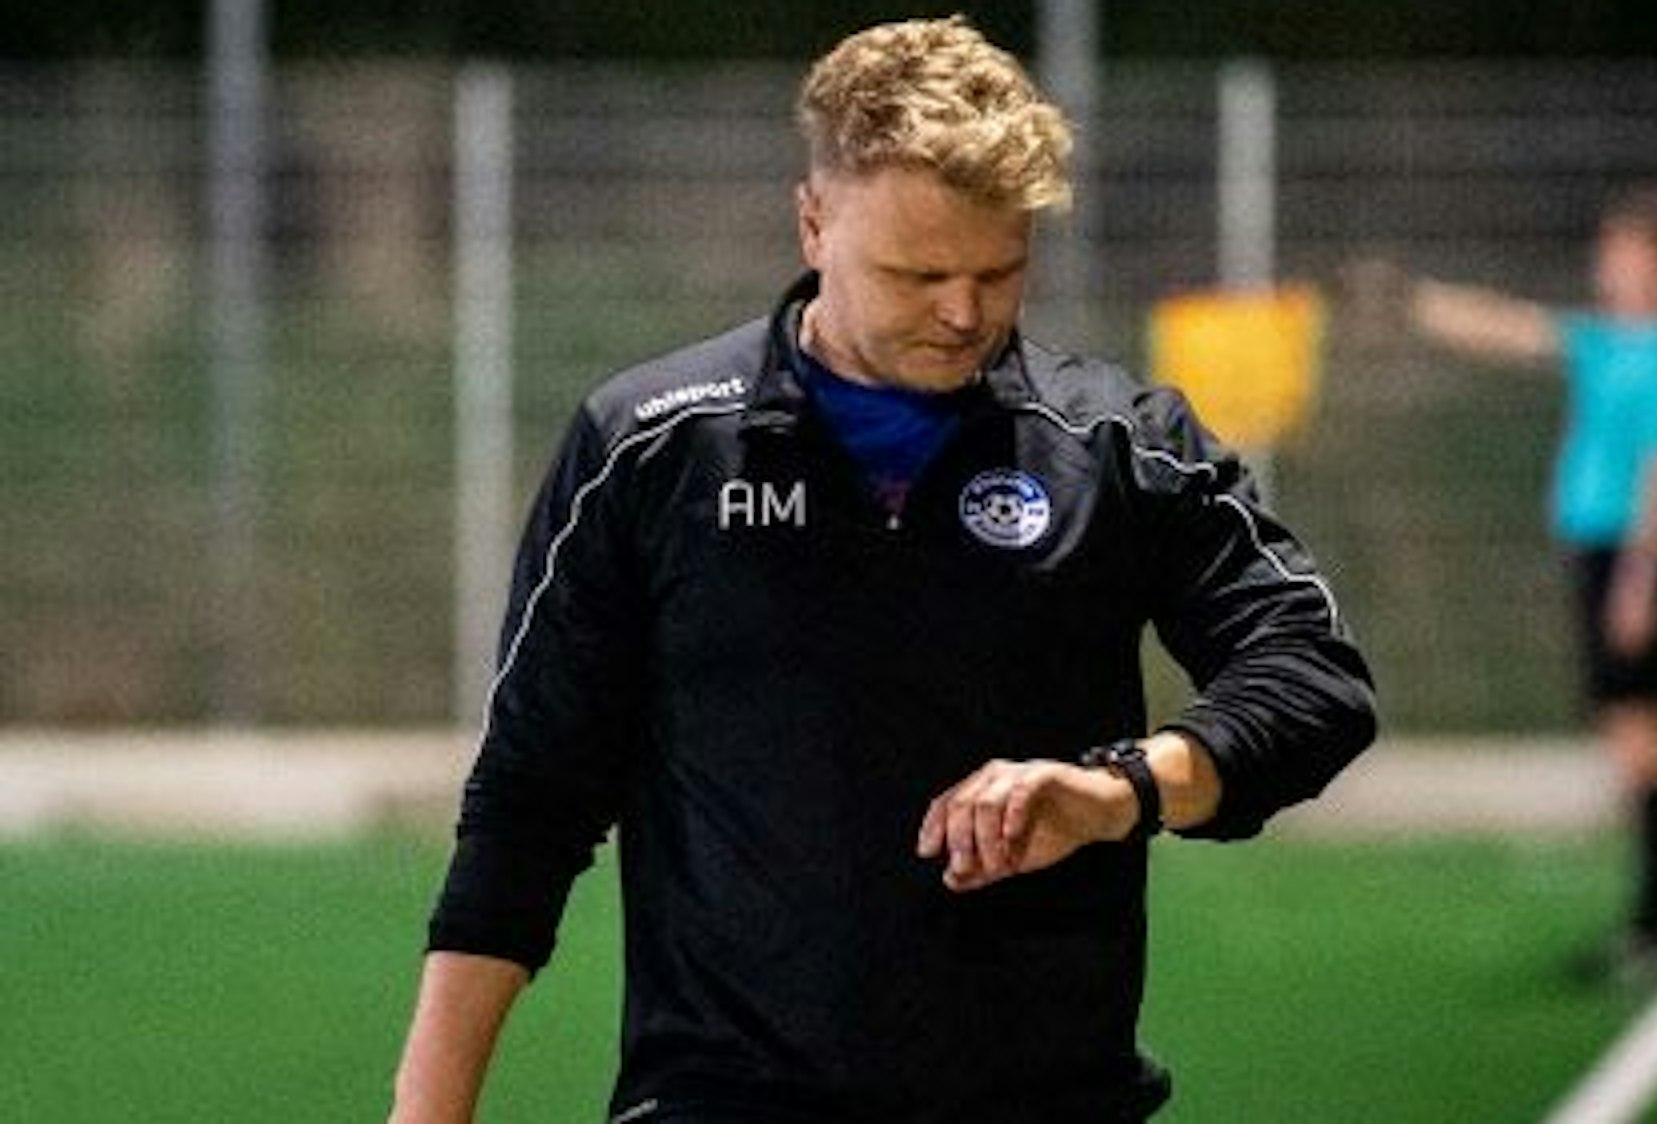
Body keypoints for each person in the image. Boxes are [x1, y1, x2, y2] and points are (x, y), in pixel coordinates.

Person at [388, 17, 1377, 1123]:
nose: (964, 312)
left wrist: (1118, 789)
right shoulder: (648, 449)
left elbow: (1312, 678)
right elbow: (530, 798)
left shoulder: (1115, 445)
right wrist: (428, 1110)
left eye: (999, 270)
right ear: (813, 223)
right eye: (918, 274)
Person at [1363, 190, 1657, 983]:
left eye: (1625, 252)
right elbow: (1510, 329)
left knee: (1642, 735)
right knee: (1633, 730)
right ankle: (1655, 919)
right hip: (1606, 555)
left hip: (1632, 559)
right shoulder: (1609, 340)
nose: (1608, 263)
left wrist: (1642, 578)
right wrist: (1416, 301)